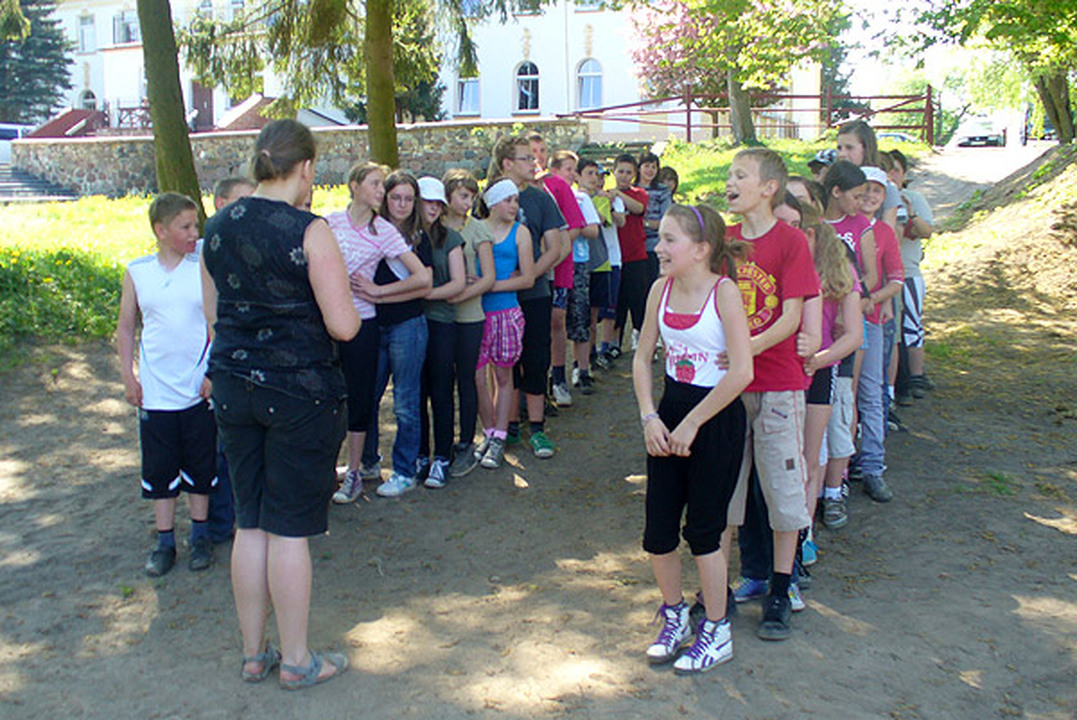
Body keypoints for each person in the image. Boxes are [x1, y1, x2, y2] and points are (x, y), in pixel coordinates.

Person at [201, 119, 359, 689]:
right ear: (306, 168)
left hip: (233, 387)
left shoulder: (217, 227)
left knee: (250, 522)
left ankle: (253, 654)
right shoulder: (309, 230)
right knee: (289, 528)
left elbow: (214, 316)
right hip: (299, 393)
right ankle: (296, 660)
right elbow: (344, 325)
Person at [633, 204, 752, 674]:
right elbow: (642, 357)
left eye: (669, 240)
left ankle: (717, 630)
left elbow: (741, 372)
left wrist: (693, 424)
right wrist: (650, 417)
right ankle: (674, 614)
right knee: (658, 531)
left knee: (704, 531)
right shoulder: (658, 289)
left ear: (701, 250)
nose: (658, 248)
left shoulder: (724, 293)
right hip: (669, 416)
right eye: (659, 238)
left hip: (716, 420)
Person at [722, 148, 820, 642]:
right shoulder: (724, 241)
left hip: (778, 385)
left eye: (740, 175)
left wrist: (745, 351)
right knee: (725, 490)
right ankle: (717, 590)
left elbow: (790, 317)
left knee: (782, 492)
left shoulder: (791, 242)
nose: (729, 182)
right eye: (729, 174)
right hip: (728, 389)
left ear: (768, 188)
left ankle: (781, 589)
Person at [117, 192, 216, 577]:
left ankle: (200, 536)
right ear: (160, 230)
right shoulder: (138, 272)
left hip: (195, 389)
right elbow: (127, 327)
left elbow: (215, 324)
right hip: (156, 392)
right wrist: (129, 375)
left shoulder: (201, 269)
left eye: (196, 226)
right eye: (185, 227)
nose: (194, 233)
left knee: (201, 465)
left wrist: (211, 373)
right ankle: (164, 542)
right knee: (160, 469)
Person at [327, 163, 429, 504]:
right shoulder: (329, 223)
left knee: (377, 399)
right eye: (376, 185)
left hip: (370, 323)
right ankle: (342, 467)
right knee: (337, 398)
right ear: (354, 186)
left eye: (383, 186)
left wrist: (377, 292)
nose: (382, 193)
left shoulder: (384, 232)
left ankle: (366, 473)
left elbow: (423, 278)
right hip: (330, 322)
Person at [486, 135, 569, 459]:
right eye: (525, 158)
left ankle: (537, 428)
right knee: (503, 362)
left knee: (535, 358)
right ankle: (507, 427)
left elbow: (556, 247)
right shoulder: (489, 198)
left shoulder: (540, 198)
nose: (534, 163)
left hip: (534, 294)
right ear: (507, 163)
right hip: (496, 297)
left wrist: (530, 274)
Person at [356, 171, 435, 497]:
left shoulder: (419, 238)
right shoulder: (370, 232)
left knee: (405, 401)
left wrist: (379, 294)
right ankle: (368, 461)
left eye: (408, 199)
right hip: (372, 325)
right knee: (368, 397)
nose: (402, 205)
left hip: (407, 325)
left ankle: (404, 470)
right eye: (396, 197)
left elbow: (423, 285)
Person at [799, 203, 862, 537]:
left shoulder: (839, 268)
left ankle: (803, 535)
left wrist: (821, 359)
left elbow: (854, 334)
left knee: (811, 455)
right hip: (782, 367)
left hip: (819, 370)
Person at [207, 177, 256, 545]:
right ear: (221, 204)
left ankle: (246, 520)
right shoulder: (209, 253)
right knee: (220, 450)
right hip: (220, 364)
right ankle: (219, 523)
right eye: (242, 201)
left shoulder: (256, 251)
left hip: (249, 366)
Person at [474, 179, 535, 468]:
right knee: (476, 377)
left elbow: (528, 277)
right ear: (492, 203)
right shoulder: (476, 229)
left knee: (503, 375)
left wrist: (488, 285)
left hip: (506, 311)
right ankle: (487, 432)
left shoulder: (520, 232)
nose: (514, 206)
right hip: (475, 313)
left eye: (516, 201)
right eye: (508, 200)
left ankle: (499, 436)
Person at [440, 169, 496, 477]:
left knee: (468, 378)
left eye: (472, 197)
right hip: (440, 315)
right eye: (463, 195)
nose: (468, 202)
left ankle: (466, 442)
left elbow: (488, 278)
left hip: (470, 315)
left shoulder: (478, 230)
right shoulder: (434, 227)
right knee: (441, 380)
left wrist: (459, 294)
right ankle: (442, 444)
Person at [855, 166, 905, 501]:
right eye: (866, 189)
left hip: (870, 320)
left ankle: (873, 464)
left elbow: (896, 278)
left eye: (878, 191)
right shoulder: (839, 227)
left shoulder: (884, 232)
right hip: (835, 323)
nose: (871, 196)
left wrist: (872, 300)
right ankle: (841, 464)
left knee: (871, 392)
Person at [415, 176, 467, 488]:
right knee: (415, 391)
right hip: (410, 323)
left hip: (441, 322)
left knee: (441, 390)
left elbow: (458, 283)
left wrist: (422, 294)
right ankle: (420, 454)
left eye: (438, 203)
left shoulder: (450, 239)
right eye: (427, 202)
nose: (433, 208)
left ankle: (442, 457)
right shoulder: (403, 236)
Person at [549, 149, 601, 394]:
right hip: (555, 263)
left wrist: (575, 226)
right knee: (555, 320)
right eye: (568, 169)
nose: (572, 174)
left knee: (580, 317)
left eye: (574, 170)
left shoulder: (581, 198)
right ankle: (555, 372)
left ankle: (582, 369)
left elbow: (592, 230)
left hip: (578, 262)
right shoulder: (548, 195)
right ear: (555, 171)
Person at [887, 149, 936, 403]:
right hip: (886, 275)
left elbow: (927, 231)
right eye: (887, 169)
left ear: (904, 174)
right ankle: (900, 380)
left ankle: (917, 375)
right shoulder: (877, 198)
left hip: (908, 272)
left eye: (896, 170)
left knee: (912, 324)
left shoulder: (914, 198)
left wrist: (910, 214)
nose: (891, 175)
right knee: (892, 329)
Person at [541, 149, 586, 408]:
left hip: (559, 265)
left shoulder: (559, 186)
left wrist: (552, 249)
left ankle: (558, 377)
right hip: (530, 267)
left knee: (556, 319)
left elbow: (575, 227)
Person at [577, 159, 625, 370]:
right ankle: (580, 361)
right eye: (590, 174)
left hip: (601, 261)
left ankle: (594, 354)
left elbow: (600, 221)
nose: (596, 179)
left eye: (598, 175)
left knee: (597, 314)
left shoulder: (603, 200)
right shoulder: (574, 197)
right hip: (579, 262)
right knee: (580, 316)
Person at [611, 153, 650, 355]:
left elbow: (638, 208)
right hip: (615, 258)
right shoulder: (607, 196)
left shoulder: (639, 193)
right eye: (621, 171)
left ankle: (641, 340)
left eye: (628, 172)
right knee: (617, 303)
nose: (624, 176)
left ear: (634, 175)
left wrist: (619, 194)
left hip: (636, 256)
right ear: (614, 172)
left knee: (638, 301)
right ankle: (614, 343)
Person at [836, 120, 900, 233]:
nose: (842, 154)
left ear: (866, 149)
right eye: (839, 148)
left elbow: (889, 233)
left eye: (849, 148)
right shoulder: (834, 182)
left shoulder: (887, 187)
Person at [639, 151, 673, 288]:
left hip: (654, 244)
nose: (650, 170)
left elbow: (666, 219)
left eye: (654, 167)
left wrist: (645, 224)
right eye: (647, 166)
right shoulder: (631, 189)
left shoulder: (662, 191)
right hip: (634, 246)